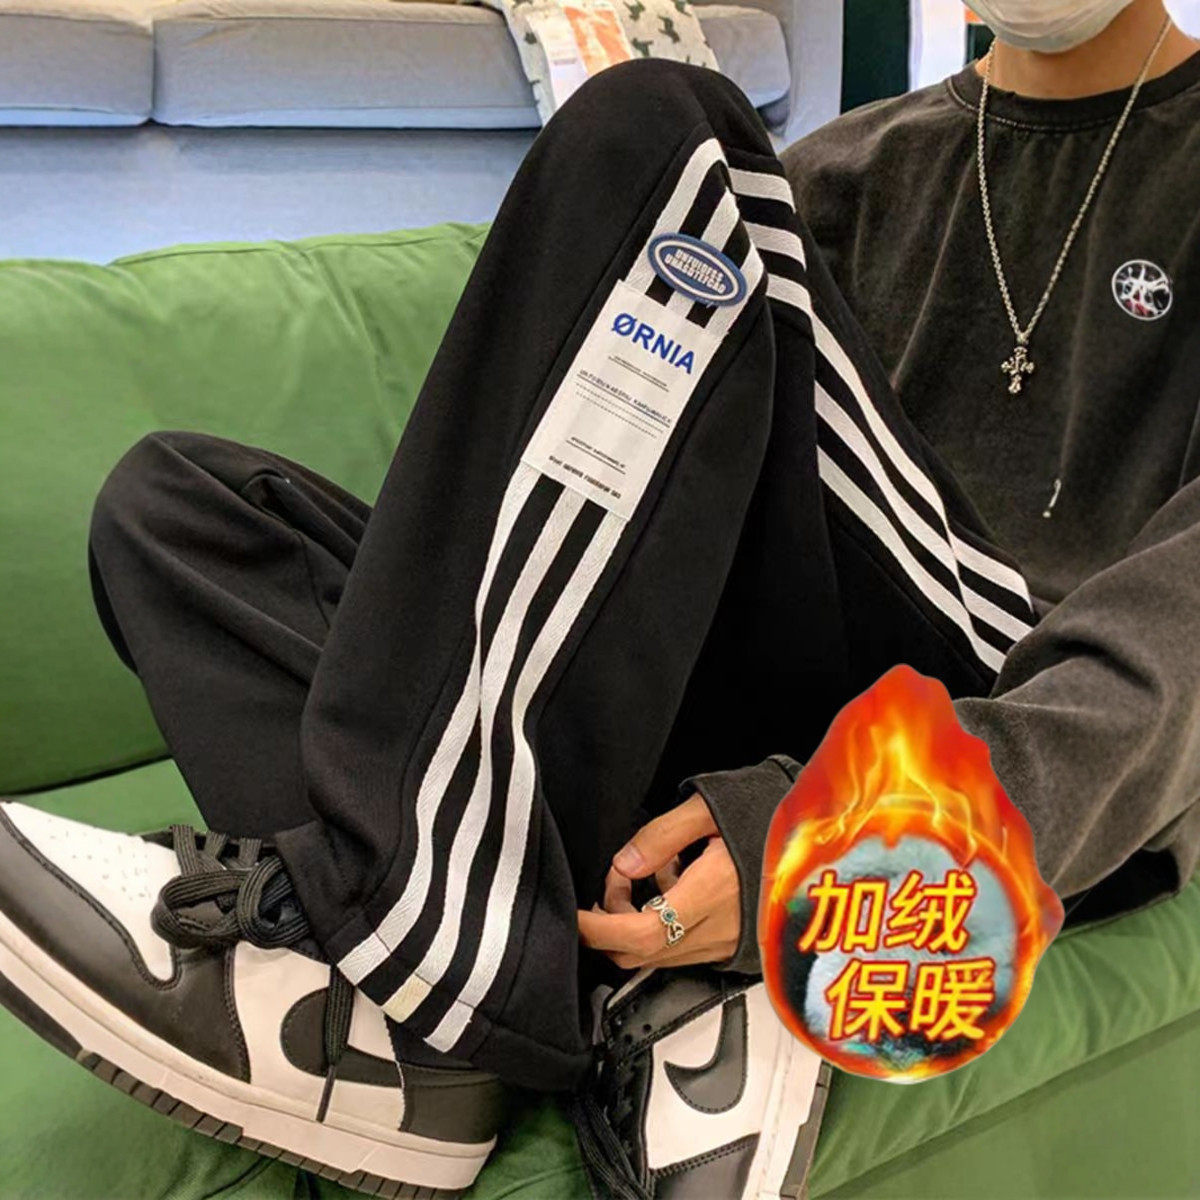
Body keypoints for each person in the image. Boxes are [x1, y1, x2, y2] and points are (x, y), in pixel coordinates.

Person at [0, 2, 1197, 1197]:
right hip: (737, 698)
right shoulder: (845, 167)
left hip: (982, 693)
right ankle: (529, 972)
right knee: (182, 512)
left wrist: (821, 843)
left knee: (659, 126)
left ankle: (416, 975)